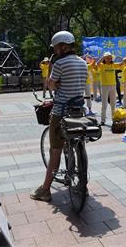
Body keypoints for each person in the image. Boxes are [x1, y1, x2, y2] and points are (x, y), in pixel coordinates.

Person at [31, 31, 88, 202]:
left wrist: (52, 77)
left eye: (56, 48)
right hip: (79, 111)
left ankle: (45, 190)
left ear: (62, 46)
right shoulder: (83, 63)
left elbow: (52, 86)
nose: (55, 51)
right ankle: (83, 184)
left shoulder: (60, 63)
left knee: (55, 151)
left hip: (61, 111)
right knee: (80, 145)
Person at [94, 52, 126, 125]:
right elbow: (97, 64)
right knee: (104, 104)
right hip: (105, 86)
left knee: (113, 104)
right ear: (104, 59)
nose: (109, 59)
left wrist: (124, 61)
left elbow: (121, 64)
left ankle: (114, 119)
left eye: (110, 58)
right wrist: (103, 57)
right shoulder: (102, 65)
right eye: (107, 58)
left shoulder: (113, 65)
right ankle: (103, 120)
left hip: (113, 86)